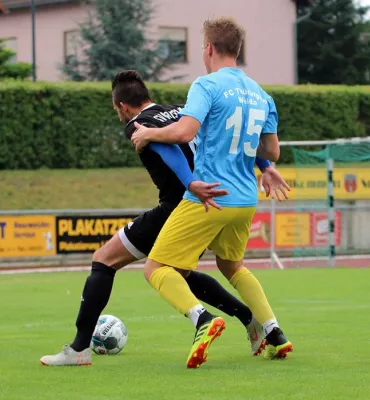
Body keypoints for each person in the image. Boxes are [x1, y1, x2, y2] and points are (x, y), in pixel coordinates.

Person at [40, 70, 291, 366]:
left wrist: (188, 183)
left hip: (183, 204)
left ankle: (79, 349)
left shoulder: (138, 124)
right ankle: (251, 319)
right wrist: (264, 164)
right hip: (217, 199)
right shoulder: (179, 111)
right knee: (181, 272)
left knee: (105, 259)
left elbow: (167, 148)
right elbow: (227, 135)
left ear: (121, 106)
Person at [130, 17, 293, 369]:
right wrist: (265, 169)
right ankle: (274, 333)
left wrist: (147, 135)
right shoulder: (261, 94)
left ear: (209, 49)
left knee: (155, 266)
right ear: (238, 49)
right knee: (231, 264)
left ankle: (202, 319)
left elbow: (185, 132)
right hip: (246, 199)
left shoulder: (207, 85)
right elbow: (272, 151)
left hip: (210, 197)